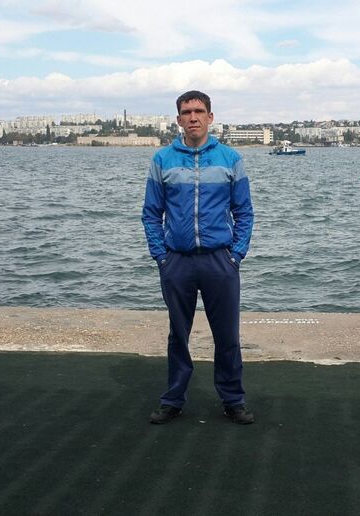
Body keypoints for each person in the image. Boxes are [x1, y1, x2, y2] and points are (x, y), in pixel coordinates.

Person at [142, 90, 254, 425]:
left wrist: (236, 254)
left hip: (220, 261)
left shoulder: (230, 158)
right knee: (178, 334)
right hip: (177, 261)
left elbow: (244, 212)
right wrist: (161, 256)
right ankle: (173, 399)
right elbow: (151, 213)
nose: (193, 117)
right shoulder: (162, 160)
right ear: (178, 119)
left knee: (227, 336)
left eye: (199, 111)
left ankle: (233, 399)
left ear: (210, 117)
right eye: (187, 112)